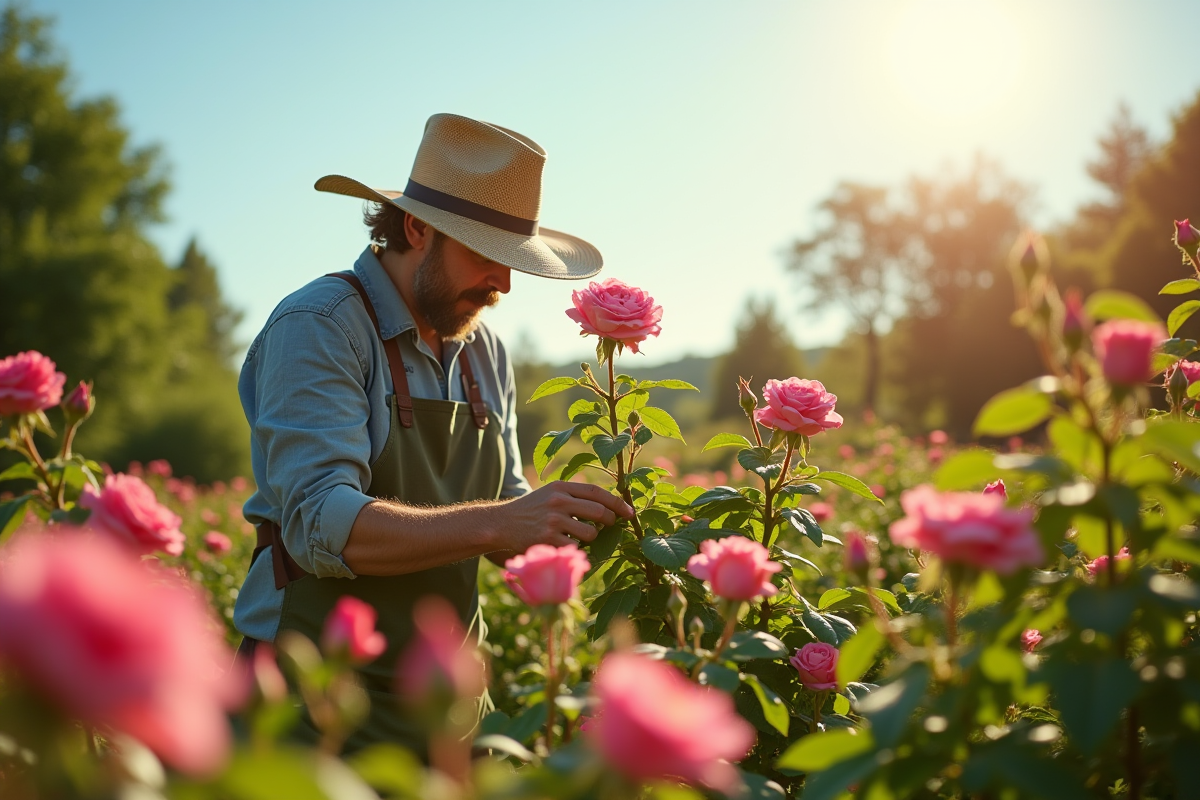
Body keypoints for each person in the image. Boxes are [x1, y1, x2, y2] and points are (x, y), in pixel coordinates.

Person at [231, 113, 633, 753]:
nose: (504, 282)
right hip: (311, 703)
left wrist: (589, 532)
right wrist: (503, 523)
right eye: (487, 256)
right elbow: (317, 525)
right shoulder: (321, 326)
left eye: (513, 261)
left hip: (446, 705)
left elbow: (507, 503)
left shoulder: (483, 350)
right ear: (416, 228)